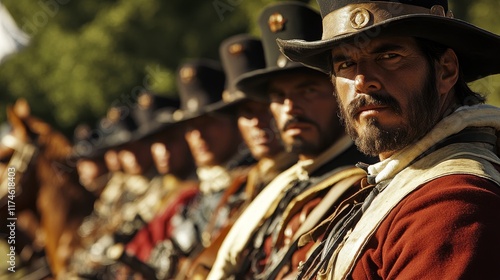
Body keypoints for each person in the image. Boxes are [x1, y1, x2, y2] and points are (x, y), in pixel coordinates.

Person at [277, 0, 500, 278]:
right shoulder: (403, 186)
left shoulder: (452, 206)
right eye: (346, 63)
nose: (361, 81)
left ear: (446, 70)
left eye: (388, 56)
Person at [207, 2, 377, 279]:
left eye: (307, 90)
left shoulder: (362, 183)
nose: (290, 108)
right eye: (278, 97)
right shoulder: (284, 186)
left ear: (339, 90)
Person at [122, 59, 256, 279]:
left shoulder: (253, 183)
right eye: (191, 127)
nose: (199, 135)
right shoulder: (199, 194)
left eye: (209, 122)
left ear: (234, 122)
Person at [180, 33, 298, 279]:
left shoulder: (318, 173)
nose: (256, 121)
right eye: (246, 112)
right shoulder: (240, 185)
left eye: (263, 107)